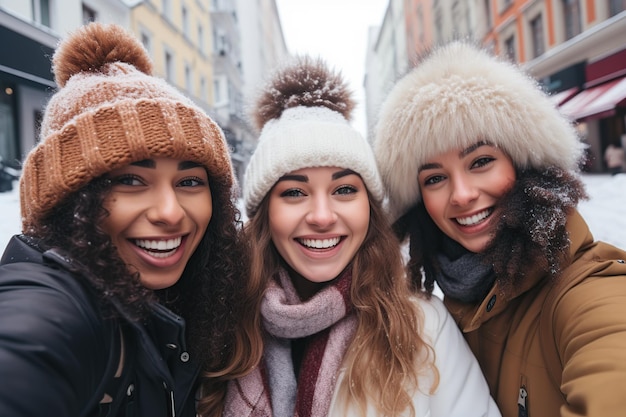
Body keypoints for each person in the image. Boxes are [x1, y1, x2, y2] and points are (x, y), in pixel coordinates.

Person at [0, 23, 258, 417]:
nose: (170, 213)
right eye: (130, 180)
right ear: (71, 199)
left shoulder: (199, 299)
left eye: (189, 181)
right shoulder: (55, 302)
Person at [222, 56, 501, 417]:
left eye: (344, 190)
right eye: (294, 192)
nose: (322, 216)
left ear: (370, 209)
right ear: (264, 215)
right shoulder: (223, 327)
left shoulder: (421, 325)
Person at [373, 40, 626, 417]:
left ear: (525, 163)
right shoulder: (451, 309)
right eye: (435, 178)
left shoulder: (589, 290)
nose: (461, 194)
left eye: (481, 161)